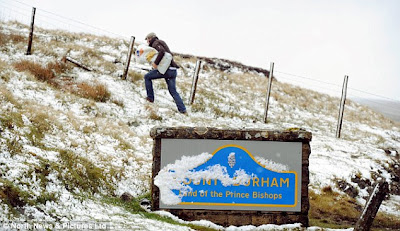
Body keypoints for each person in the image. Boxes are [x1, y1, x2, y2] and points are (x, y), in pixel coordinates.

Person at [144, 32, 187, 114]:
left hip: (166, 70)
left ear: (150, 38)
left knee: (147, 77)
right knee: (173, 91)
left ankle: (150, 98)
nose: (147, 42)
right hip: (173, 70)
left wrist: (155, 63)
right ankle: (183, 110)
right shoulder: (161, 42)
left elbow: (162, 52)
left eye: (147, 40)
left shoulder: (155, 43)